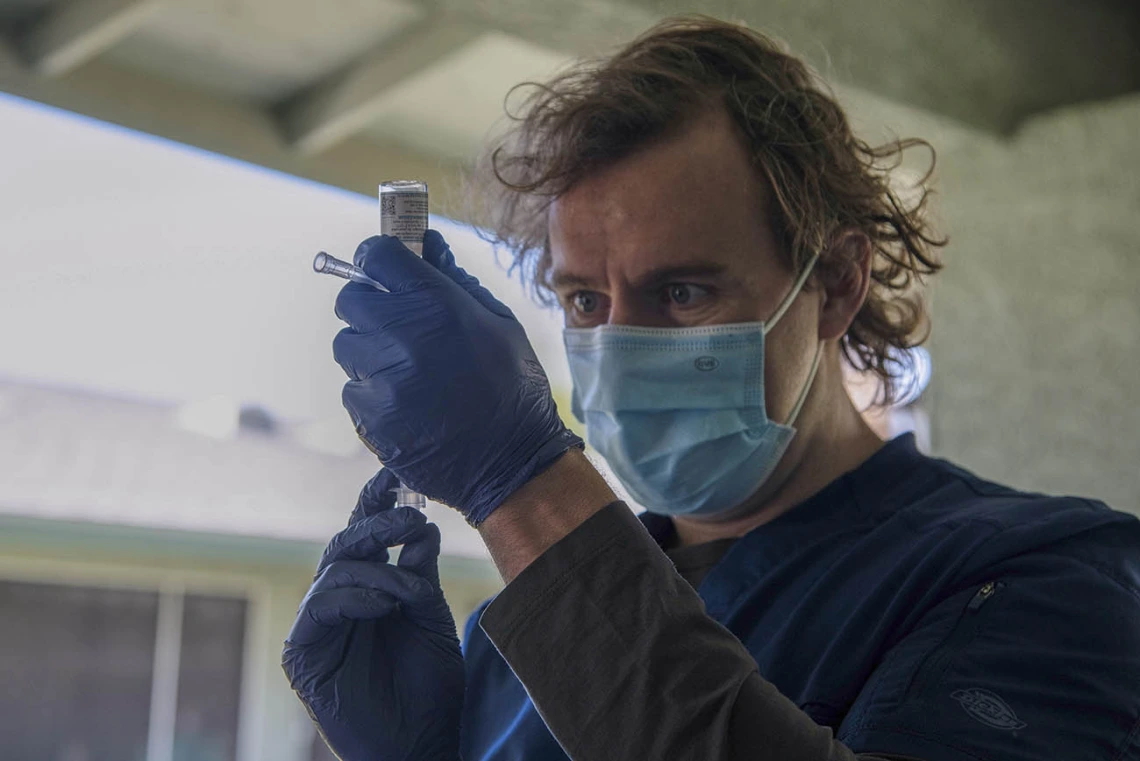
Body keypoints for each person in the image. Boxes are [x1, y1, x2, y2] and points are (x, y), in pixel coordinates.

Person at [281, 16, 1140, 761]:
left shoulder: (1045, 576)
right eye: (585, 298)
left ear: (836, 282)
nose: (622, 344)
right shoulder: (518, 643)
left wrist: (519, 480)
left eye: (683, 292)